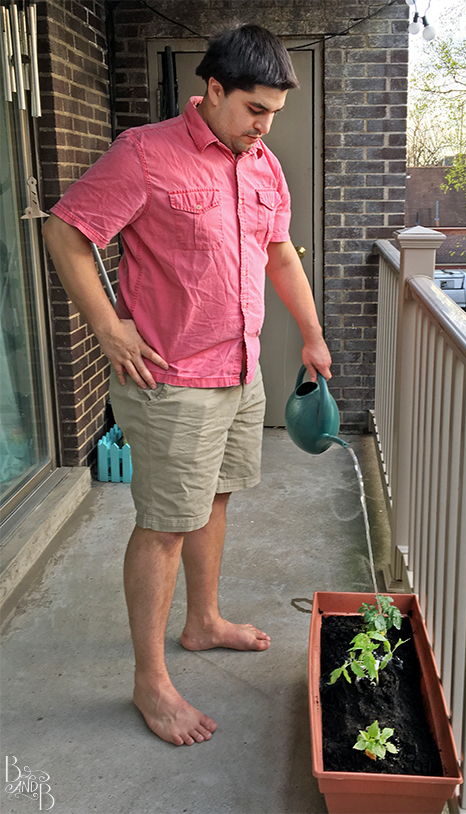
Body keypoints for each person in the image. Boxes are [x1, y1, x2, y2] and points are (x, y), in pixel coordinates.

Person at [42, 24, 331, 747]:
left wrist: (315, 335)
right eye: (255, 110)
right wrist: (109, 327)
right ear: (212, 91)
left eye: (273, 114)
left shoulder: (262, 166)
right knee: (165, 525)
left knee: (216, 498)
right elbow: (66, 231)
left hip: (241, 370)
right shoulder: (145, 155)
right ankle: (150, 681)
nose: (265, 127)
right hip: (171, 379)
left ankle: (203, 622)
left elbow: (281, 257)